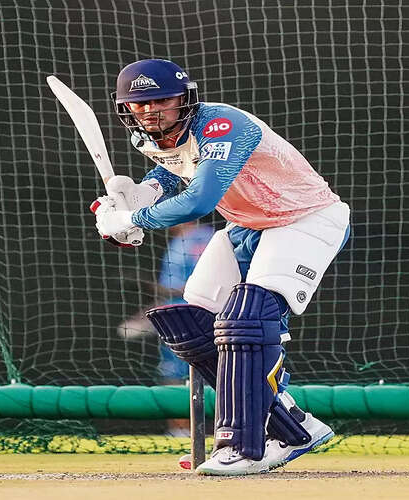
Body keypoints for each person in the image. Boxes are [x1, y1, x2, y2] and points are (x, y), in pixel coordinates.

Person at [90, 59, 351, 475]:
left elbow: (199, 200)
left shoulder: (222, 125)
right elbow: (176, 167)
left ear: (184, 99)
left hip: (302, 218)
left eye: (161, 101)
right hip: (249, 225)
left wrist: (133, 218)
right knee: (192, 324)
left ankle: (242, 446)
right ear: (126, 109)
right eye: (140, 105)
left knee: (248, 318)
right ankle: (292, 427)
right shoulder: (151, 136)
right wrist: (146, 190)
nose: (151, 111)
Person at [115, 221, 214, 437]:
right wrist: (146, 316)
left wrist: (154, 288)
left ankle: (203, 434)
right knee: (176, 377)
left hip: (195, 321)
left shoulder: (200, 239)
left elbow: (205, 284)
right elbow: (170, 295)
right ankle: (182, 435)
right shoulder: (180, 241)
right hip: (177, 323)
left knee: (199, 378)